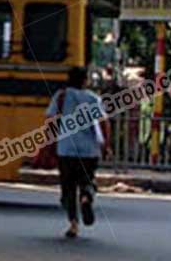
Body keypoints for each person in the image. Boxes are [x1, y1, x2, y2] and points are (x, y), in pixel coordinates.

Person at [46, 66, 107, 239]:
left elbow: (50, 120)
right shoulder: (93, 98)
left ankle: (73, 225)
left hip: (66, 150)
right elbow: (104, 123)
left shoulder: (61, 96)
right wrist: (106, 145)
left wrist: (49, 141)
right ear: (84, 80)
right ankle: (86, 197)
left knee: (68, 187)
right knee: (87, 180)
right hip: (89, 150)